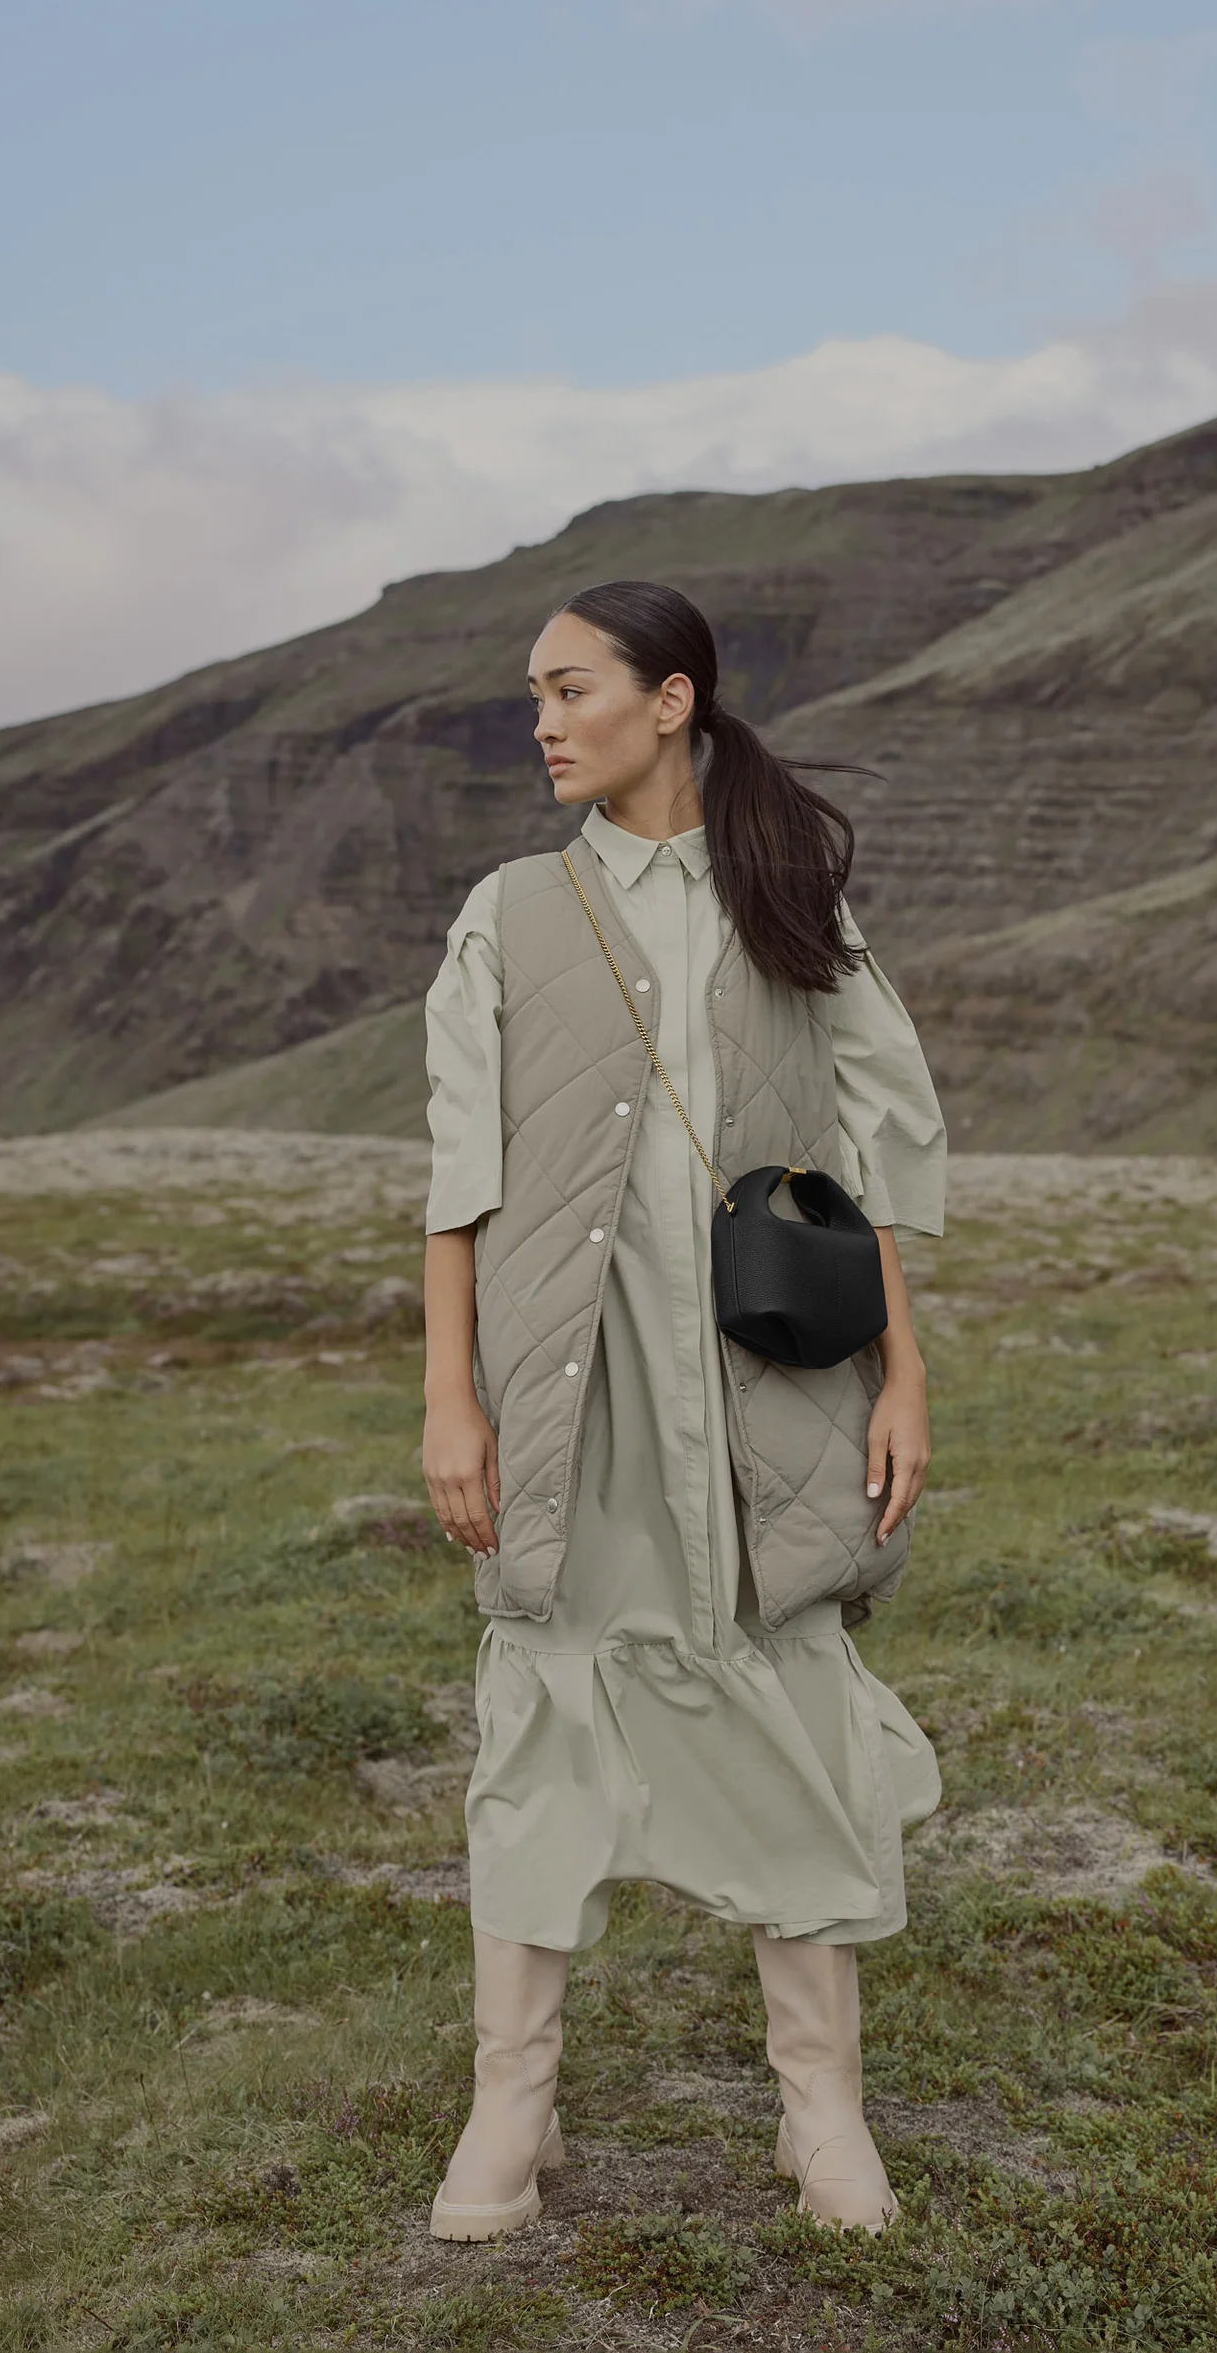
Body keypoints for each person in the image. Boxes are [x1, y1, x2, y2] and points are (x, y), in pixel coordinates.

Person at [417, 579, 946, 2243]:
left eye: (571, 689)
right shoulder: (507, 913)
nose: (545, 722)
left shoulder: (794, 903)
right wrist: (452, 1396)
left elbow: (865, 1169)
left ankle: (823, 2117)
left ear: (673, 701)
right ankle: (512, 2115)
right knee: (543, 1731)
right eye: (533, 698)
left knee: (787, 1705)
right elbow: (457, 1180)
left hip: (766, 1393)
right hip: (572, 1391)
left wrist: (906, 1373)